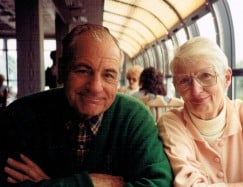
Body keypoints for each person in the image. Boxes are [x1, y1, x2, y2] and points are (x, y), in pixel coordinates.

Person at [0, 24, 173, 187]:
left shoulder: (134, 117)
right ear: (62, 70)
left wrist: (53, 183)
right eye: (82, 71)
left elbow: (159, 183)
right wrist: (89, 183)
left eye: (108, 75)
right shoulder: (21, 115)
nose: (95, 87)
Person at [157, 37, 243, 186]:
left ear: (226, 77)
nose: (196, 90)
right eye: (184, 81)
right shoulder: (172, 124)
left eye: (206, 76)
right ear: (176, 86)